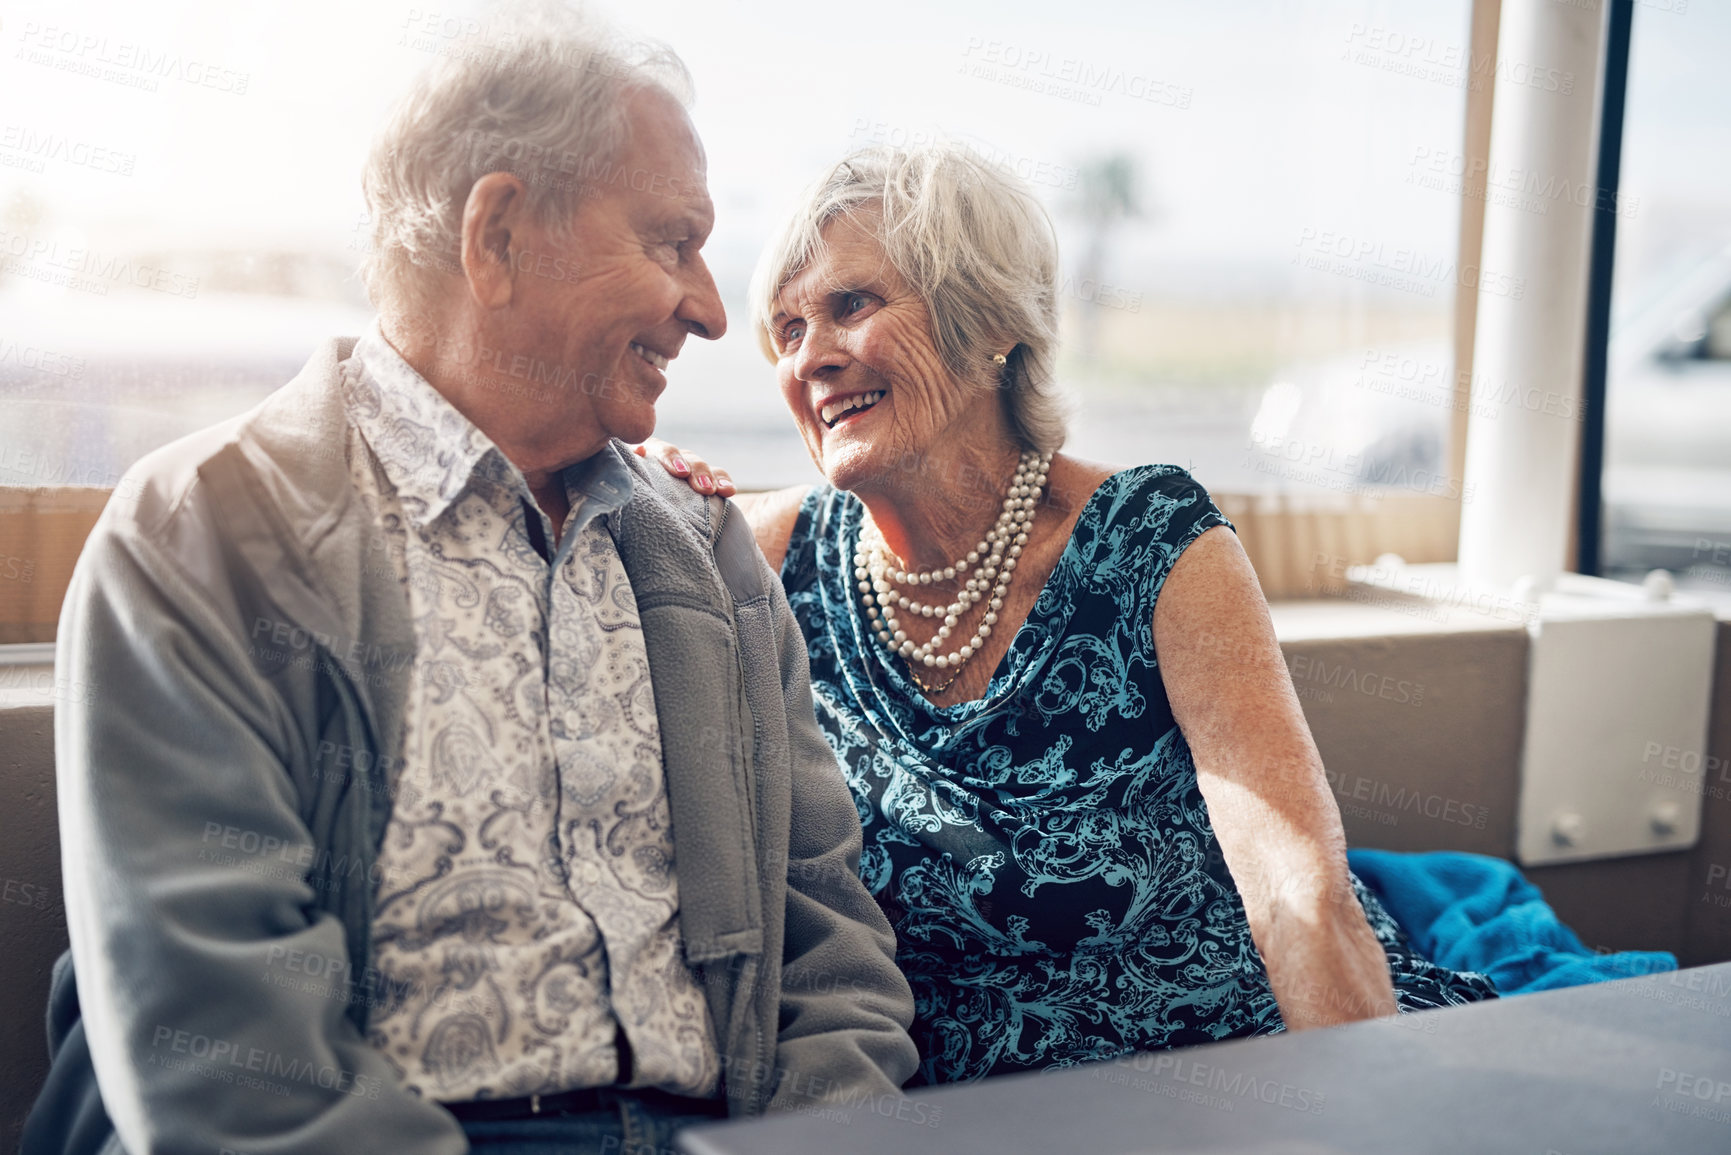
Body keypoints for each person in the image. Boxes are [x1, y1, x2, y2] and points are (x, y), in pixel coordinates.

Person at [24, 14, 916, 1155]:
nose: (708, 309)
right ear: (495, 234)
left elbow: (832, 962)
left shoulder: (709, 555)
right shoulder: (204, 534)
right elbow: (220, 1053)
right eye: (671, 242)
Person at [639, 143, 1498, 1086]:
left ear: (987, 325)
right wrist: (651, 484)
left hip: (1228, 1059)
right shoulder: (763, 556)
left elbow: (1294, 881)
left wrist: (1365, 1110)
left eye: (853, 305)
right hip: (955, 1110)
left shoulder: (1151, 540)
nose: (812, 359)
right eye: (787, 328)